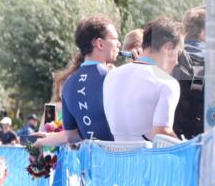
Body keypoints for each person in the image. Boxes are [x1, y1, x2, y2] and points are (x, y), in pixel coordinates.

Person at [36, 15, 119, 147]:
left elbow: (71, 135)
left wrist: (42, 141)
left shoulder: (68, 84)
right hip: (119, 157)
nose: (118, 44)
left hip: (90, 159)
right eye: (115, 39)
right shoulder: (113, 77)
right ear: (100, 44)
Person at [104, 17, 184, 142]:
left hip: (115, 154)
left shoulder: (111, 76)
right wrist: (189, 148)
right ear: (168, 47)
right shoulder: (167, 83)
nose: (177, 62)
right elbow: (161, 133)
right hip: (148, 154)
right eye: (178, 53)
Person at [172, 7, 205, 139]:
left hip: (170, 137)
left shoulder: (170, 56)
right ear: (203, 32)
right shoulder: (213, 60)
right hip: (204, 137)